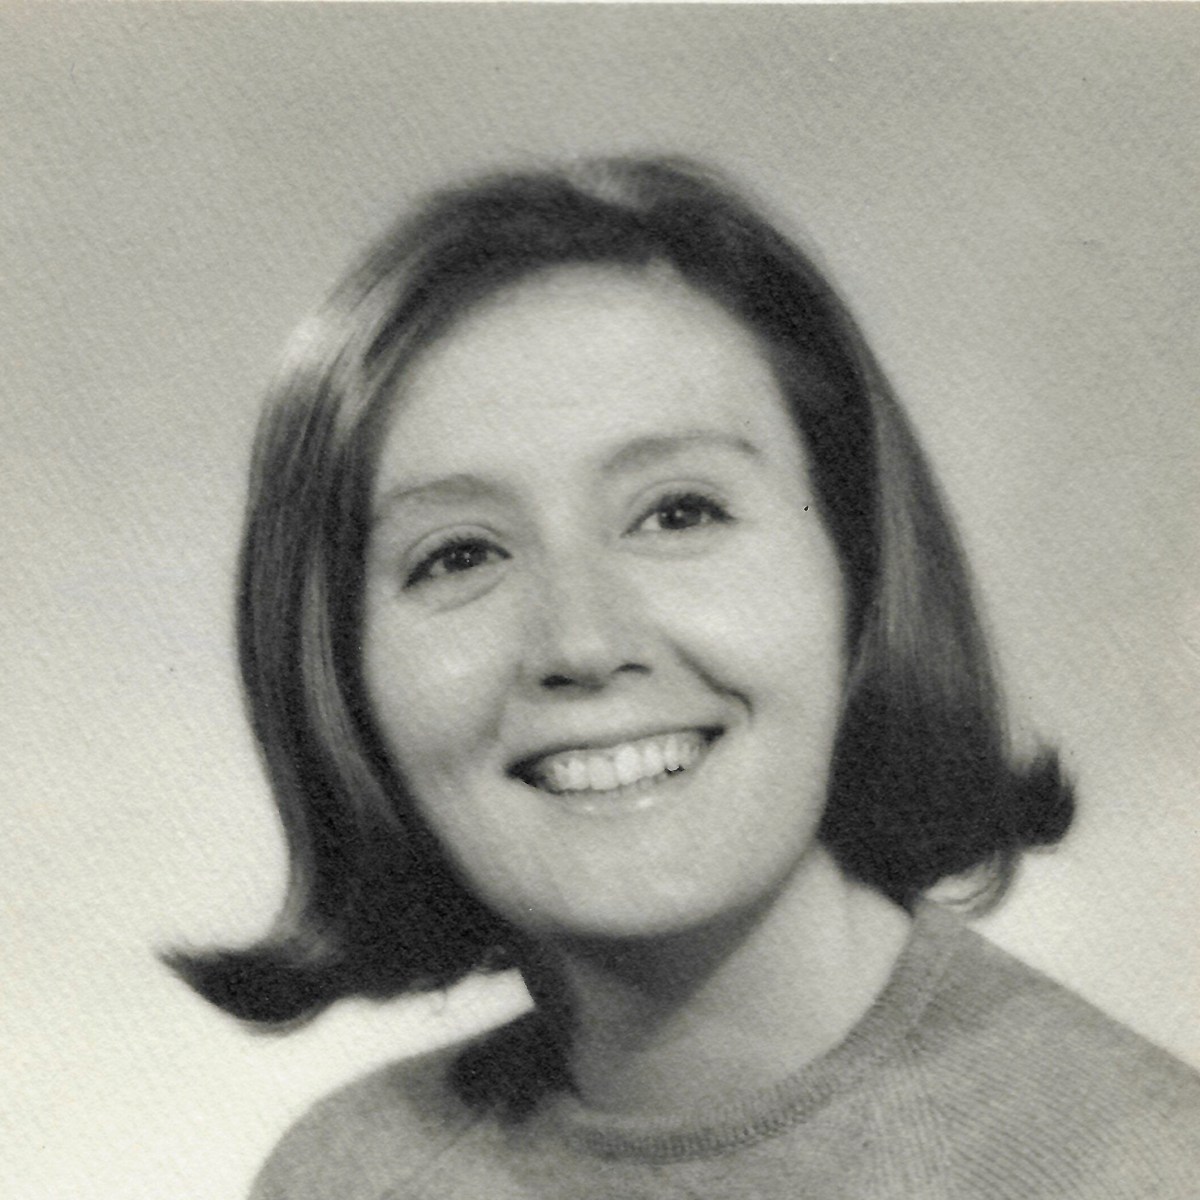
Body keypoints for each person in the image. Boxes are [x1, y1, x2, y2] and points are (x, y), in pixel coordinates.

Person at [170, 157, 1200, 1198]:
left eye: (678, 514)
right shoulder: (350, 1178)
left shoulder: (1139, 1166)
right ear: (340, 673)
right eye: (461, 555)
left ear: (859, 570)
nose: (580, 640)